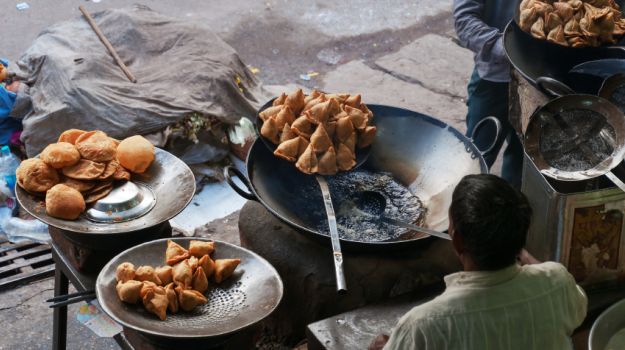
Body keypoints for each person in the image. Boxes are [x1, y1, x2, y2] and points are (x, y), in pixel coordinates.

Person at [369, 174, 587, 349]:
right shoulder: (558, 282)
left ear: (457, 242)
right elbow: (579, 307)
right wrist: (528, 258)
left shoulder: (423, 325)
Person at [454, 1, 523, 188]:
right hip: (493, 81)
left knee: (523, 161)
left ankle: (513, 210)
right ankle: (460, 212)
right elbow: (464, 20)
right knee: (475, 159)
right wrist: (510, 48)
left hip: (538, 81)